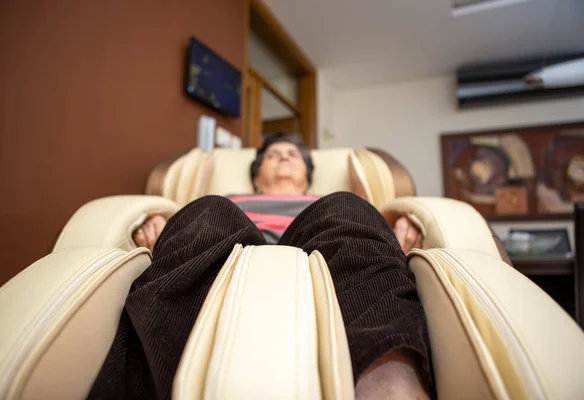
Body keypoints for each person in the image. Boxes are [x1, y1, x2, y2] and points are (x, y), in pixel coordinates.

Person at [88, 134, 433, 399]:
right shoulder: (230, 199)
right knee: (207, 209)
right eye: (272, 155)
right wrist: (159, 223)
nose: (283, 156)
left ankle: (390, 385)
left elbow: (370, 237)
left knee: (349, 205)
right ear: (256, 177)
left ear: (307, 177)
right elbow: (190, 229)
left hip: (324, 254)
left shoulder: (329, 202)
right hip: (230, 251)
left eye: (292, 154)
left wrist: (404, 224)